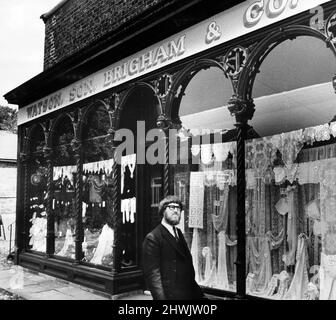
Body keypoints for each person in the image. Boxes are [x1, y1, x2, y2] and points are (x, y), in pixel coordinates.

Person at [142, 195, 206, 300]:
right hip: (171, 296)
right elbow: (154, 277)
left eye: (178, 208)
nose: (176, 211)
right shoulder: (153, 238)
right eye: (171, 207)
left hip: (187, 293)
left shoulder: (178, 232)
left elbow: (187, 265)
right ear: (163, 211)